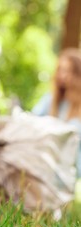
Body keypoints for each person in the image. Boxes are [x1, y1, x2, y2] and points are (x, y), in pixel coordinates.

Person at [32, 48, 81, 176]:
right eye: (60, 70)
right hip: (47, 162)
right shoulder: (51, 99)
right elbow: (32, 120)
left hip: (71, 167)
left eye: (67, 71)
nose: (62, 75)